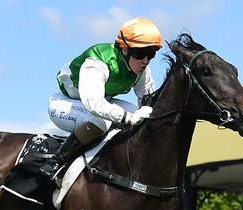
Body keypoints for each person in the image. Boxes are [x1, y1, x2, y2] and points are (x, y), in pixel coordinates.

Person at [40, 17, 162, 183]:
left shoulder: (141, 70)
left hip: (97, 102)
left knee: (139, 116)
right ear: (124, 50)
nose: (146, 60)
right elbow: (94, 103)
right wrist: (127, 117)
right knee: (103, 121)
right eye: (140, 53)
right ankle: (56, 162)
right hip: (64, 104)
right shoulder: (98, 62)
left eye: (151, 53)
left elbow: (148, 101)